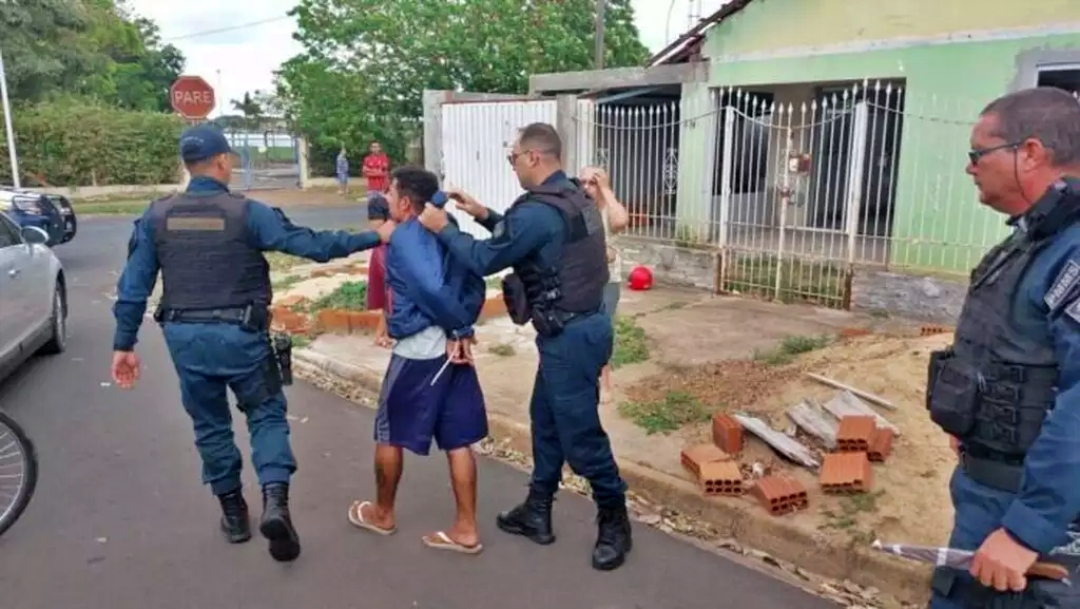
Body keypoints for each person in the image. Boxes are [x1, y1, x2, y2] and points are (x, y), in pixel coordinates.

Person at [109, 124, 391, 563]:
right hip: (242, 336)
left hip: (185, 339)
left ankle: (235, 515)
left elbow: (133, 286)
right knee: (265, 415)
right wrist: (375, 236)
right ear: (222, 161)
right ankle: (275, 501)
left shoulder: (157, 215)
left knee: (210, 425)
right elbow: (310, 245)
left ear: (188, 165)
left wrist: (123, 344)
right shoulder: (247, 213)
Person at [416, 123, 633, 571]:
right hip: (583, 329)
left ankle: (615, 519)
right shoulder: (572, 196)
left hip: (570, 339)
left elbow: (484, 259)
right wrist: (482, 213)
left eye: (512, 156)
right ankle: (537, 510)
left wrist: (442, 229)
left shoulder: (539, 210)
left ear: (533, 157)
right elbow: (528, 239)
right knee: (546, 421)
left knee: (580, 436)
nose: (511, 163)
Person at [927, 87, 1080, 608]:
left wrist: (1025, 532)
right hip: (989, 490)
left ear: (1030, 153)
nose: (970, 168)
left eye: (978, 154)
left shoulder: (1073, 249)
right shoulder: (1031, 241)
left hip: (1039, 517)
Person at [347, 166, 489, 554]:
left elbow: (431, 286)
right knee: (458, 439)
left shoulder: (409, 236)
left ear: (406, 202)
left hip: (420, 353)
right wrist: (461, 329)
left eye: (391, 194)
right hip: (453, 352)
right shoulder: (447, 224)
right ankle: (466, 529)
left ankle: (382, 513)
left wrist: (458, 329)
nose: (386, 200)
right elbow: (474, 279)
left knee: (388, 431)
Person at [579, 166, 629, 404]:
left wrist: (606, 190)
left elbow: (621, 221)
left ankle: (605, 380)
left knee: (602, 330)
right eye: (584, 182)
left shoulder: (608, 209)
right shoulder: (577, 209)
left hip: (608, 280)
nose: (587, 187)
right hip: (581, 280)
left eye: (593, 183)